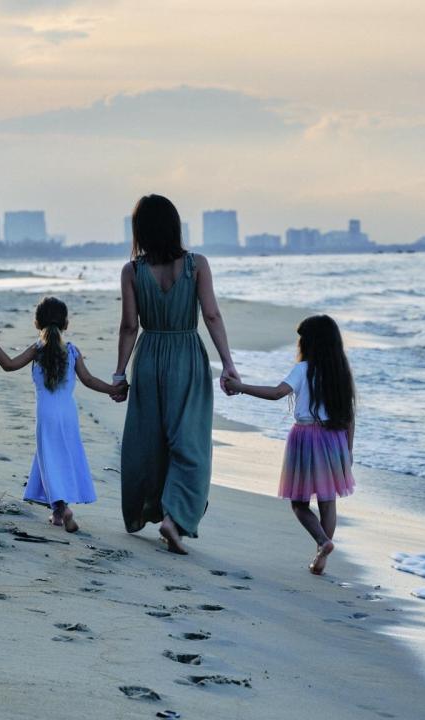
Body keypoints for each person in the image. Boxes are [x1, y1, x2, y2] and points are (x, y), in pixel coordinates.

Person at [112, 194, 239, 554]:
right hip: (186, 355)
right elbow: (211, 315)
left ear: (139, 230)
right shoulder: (197, 265)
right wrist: (228, 363)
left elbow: (129, 326)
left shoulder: (132, 271)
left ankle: (155, 510)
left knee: (149, 441)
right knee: (190, 441)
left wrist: (119, 373)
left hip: (149, 356)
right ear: (174, 226)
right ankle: (175, 517)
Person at [225, 315, 356, 575]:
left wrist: (240, 387)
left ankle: (323, 542)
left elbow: (277, 393)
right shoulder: (340, 372)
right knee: (328, 501)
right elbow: (349, 415)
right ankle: (321, 556)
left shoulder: (303, 369)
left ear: (309, 342)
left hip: (306, 437)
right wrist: (348, 451)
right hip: (335, 439)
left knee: (299, 504)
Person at [0, 297, 121, 532]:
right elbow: (89, 380)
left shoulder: (37, 350)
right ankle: (58, 514)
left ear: (37, 323)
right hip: (68, 415)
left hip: (46, 414)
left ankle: (61, 508)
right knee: (61, 457)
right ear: (66, 323)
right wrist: (112, 389)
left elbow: (8, 365)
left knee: (49, 458)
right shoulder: (72, 351)